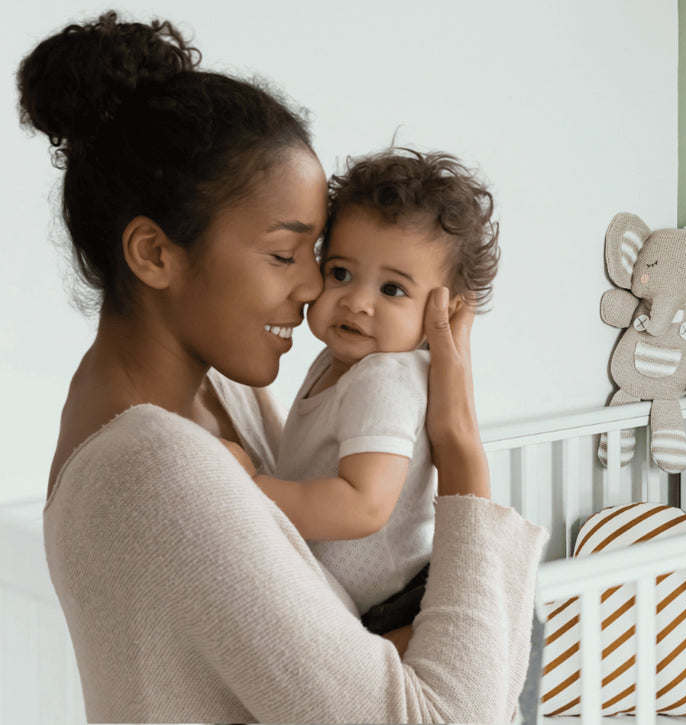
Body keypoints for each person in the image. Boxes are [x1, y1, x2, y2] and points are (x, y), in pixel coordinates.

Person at [22, 11, 545, 723]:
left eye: (313, 255)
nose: (311, 290)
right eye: (284, 254)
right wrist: (458, 446)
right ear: (154, 254)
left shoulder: (216, 392)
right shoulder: (157, 467)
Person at [232, 148, 499, 636]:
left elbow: (363, 506)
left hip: (402, 606)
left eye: (392, 290)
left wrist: (252, 490)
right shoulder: (340, 360)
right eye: (340, 273)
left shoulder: (385, 378)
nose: (355, 301)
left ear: (444, 310)